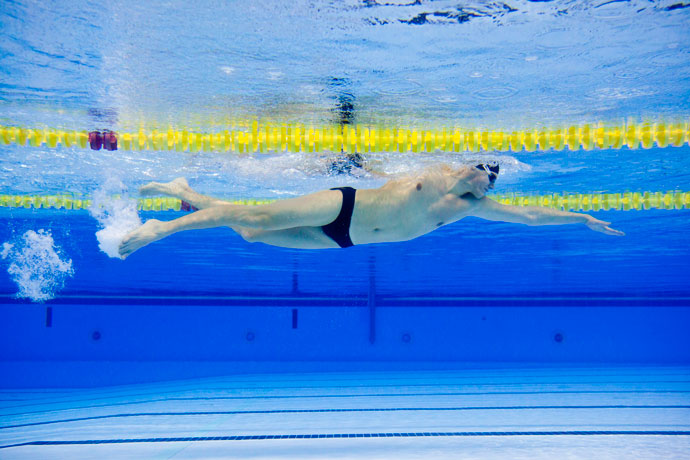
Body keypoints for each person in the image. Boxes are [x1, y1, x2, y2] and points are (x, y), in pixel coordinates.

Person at [118, 163, 624, 259]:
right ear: (470, 165)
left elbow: (532, 217)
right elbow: (387, 174)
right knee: (256, 216)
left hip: (346, 240)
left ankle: (188, 192)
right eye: (481, 172)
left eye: (489, 179)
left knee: (250, 232)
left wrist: (581, 219)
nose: (482, 182)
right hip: (345, 204)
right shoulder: (433, 170)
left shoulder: (475, 207)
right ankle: (161, 228)